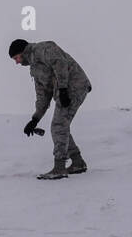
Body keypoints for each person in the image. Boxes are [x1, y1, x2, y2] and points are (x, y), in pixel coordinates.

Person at [9, 38, 93, 180]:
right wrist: (34, 120)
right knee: (61, 126)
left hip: (75, 85)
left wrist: (63, 89)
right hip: (67, 90)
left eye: (16, 58)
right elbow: (42, 96)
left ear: (22, 52)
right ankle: (77, 162)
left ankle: (59, 168)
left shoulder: (42, 48)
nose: (17, 62)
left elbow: (60, 63)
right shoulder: (35, 69)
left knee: (58, 125)